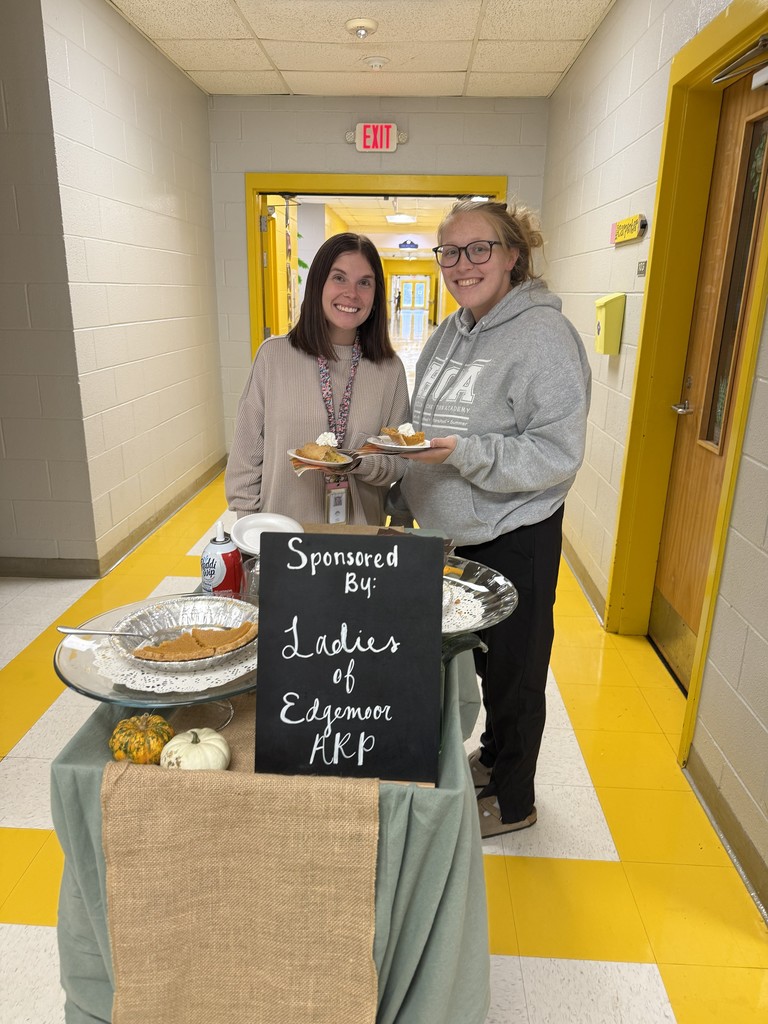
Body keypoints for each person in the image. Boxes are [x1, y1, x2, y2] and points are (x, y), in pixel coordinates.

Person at [394, 200, 591, 838]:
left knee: (516, 673)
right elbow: (427, 429)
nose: (461, 264)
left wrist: (464, 454)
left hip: (514, 533)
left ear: (513, 255)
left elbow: (557, 452)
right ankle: (497, 757)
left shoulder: (543, 338)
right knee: (481, 664)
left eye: (478, 249)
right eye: (448, 251)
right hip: (456, 535)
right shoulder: (452, 332)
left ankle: (515, 802)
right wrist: (403, 483)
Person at [226, 233, 409, 525]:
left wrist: (354, 462)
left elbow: (399, 463)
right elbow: (246, 457)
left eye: (364, 282)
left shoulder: (389, 369)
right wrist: (251, 531)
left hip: (357, 547)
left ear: (376, 296)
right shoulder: (274, 356)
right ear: (317, 285)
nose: (352, 293)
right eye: (339, 278)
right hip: (282, 537)